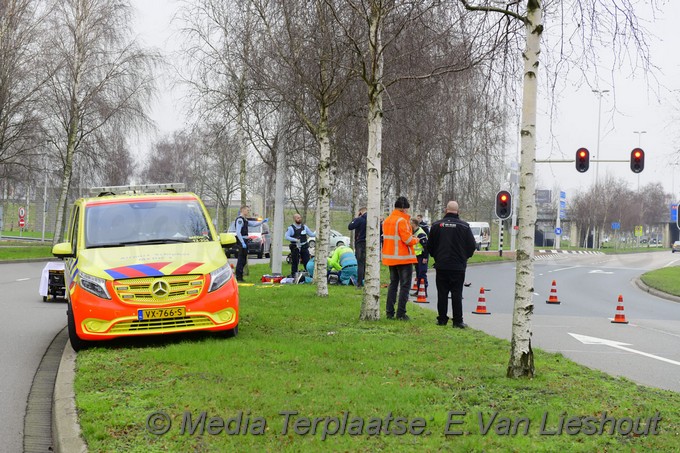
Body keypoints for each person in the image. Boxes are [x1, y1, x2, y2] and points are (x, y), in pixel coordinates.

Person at [427, 201, 477, 328]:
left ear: (446, 210)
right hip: (458, 266)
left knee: (442, 293)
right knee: (457, 293)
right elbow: (471, 245)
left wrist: (436, 257)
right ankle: (457, 321)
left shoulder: (436, 225)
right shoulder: (464, 227)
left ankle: (442, 319)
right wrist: (464, 257)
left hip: (442, 265)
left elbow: (430, 246)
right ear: (458, 211)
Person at [381, 196, 418, 320]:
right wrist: (416, 239)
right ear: (403, 209)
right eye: (407, 209)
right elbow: (407, 240)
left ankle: (389, 312)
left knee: (393, 285)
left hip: (391, 258)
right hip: (403, 258)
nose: (407, 212)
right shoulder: (402, 221)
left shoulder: (387, 220)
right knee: (405, 286)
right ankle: (401, 313)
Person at [234, 206, 268, 282]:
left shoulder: (245, 219)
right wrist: (242, 242)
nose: (248, 212)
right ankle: (238, 276)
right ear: (242, 210)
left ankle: (240, 275)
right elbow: (238, 232)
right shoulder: (240, 220)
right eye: (247, 210)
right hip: (242, 240)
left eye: (249, 210)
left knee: (244, 259)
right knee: (241, 259)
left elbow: (253, 224)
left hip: (245, 240)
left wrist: (262, 222)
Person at [348, 207, 367, 287]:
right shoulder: (371, 220)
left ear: (360, 212)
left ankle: (359, 283)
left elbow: (350, 226)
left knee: (360, 263)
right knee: (367, 263)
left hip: (360, 243)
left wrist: (355, 219)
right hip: (368, 243)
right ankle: (366, 280)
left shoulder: (360, 219)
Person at [410, 218, 429, 296]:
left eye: (410, 223)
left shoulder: (421, 233)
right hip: (417, 256)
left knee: (422, 273)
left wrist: (425, 257)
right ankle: (419, 290)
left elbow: (426, 246)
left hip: (422, 256)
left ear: (414, 224)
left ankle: (424, 291)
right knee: (418, 273)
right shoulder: (414, 232)